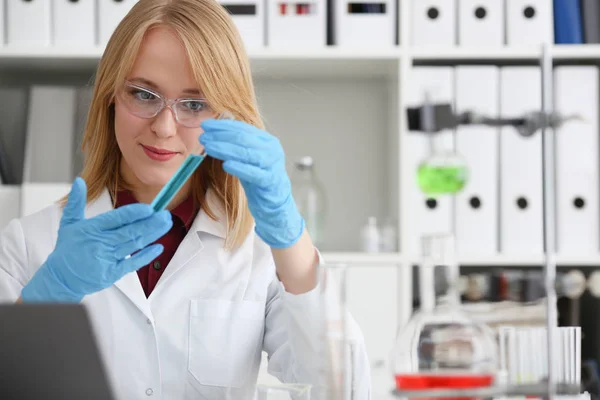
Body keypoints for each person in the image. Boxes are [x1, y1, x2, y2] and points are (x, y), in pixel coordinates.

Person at [0, 0, 371, 399]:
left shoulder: (258, 254)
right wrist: (49, 293)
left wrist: (289, 236)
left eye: (194, 104)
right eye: (143, 95)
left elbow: (342, 388)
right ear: (110, 94)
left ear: (227, 113)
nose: (163, 127)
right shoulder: (30, 242)